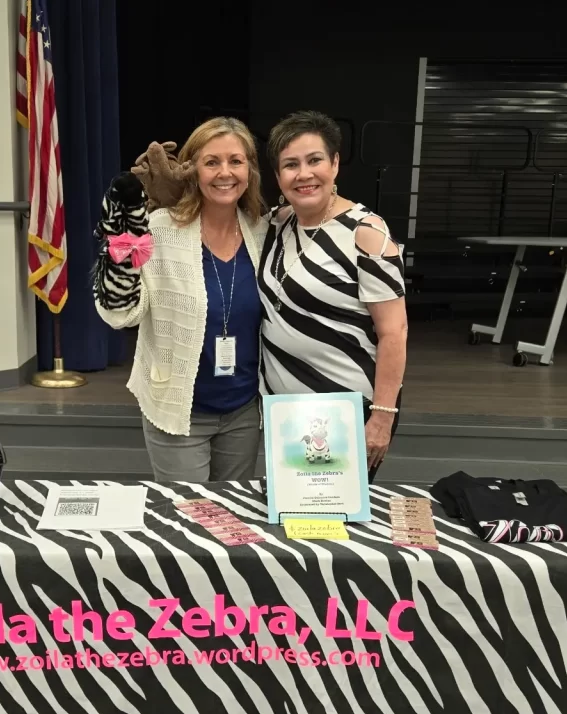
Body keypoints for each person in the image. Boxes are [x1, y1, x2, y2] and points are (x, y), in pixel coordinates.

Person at [134, 110, 408, 482]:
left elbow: (395, 332)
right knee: (294, 521)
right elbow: (214, 205)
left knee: (331, 519)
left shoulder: (368, 233)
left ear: (336, 164)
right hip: (284, 410)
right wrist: (177, 197)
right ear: (277, 176)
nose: (304, 174)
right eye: (290, 164)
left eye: (315, 161)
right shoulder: (276, 223)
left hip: (344, 410)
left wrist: (383, 414)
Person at [93, 117, 268, 483]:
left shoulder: (262, 231)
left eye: (236, 161)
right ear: (191, 170)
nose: (225, 172)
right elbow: (120, 313)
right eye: (211, 162)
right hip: (178, 410)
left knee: (234, 518)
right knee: (192, 522)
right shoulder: (158, 229)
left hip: (244, 411)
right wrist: (122, 234)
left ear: (250, 169)